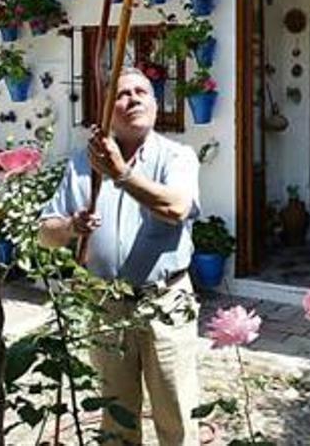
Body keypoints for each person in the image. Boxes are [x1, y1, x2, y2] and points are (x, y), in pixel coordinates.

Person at [39, 67, 202, 445]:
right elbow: (45, 234)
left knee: (175, 414)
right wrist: (69, 227)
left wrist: (122, 174)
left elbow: (177, 208)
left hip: (164, 302)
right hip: (106, 305)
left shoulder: (177, 156)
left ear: (156, 105)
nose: (132, 99)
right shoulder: (83, 163)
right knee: (116, 418)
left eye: (141, 92)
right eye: (122, 94)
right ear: (108, 111)